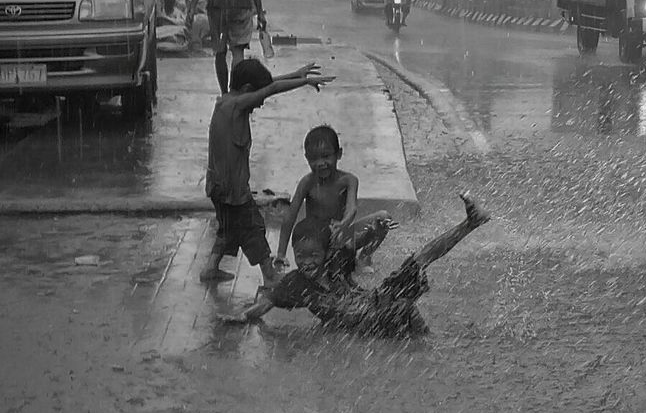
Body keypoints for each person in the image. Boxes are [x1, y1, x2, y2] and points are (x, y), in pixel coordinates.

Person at [234, 192, 491, 338]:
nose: (306, 262)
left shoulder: (337, 262)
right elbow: (266, 303)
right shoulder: (295, 284)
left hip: (378, 307)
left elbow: (363, 239)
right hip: (365, 326)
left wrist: (376, 229)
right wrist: (242, 317)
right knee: (417, 333)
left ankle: (469, 224)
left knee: (418, 261)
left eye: (313, 255)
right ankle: (432, 340)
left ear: (326, 253)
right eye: (300, 256)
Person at [199, 58, 336, 286]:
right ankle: (270, 276)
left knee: (228, 229)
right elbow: (271, 89)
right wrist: (304, 81)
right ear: (247, 91)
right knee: (253, 227)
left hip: (218, 187)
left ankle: (210, 268)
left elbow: (268, 85)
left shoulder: (225, 102)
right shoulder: (235, 107)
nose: (260, 104)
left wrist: (295, 73)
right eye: (257, 98)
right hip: (232, 191)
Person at [274, 124, 399, 278]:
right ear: (306, 158)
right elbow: (290, 216)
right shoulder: (307, 183)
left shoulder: (348, 180)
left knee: (384, 218)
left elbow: (351, 208)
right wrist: (280, 253)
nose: (320, 163)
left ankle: (365, 256)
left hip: (341, 234)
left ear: (338, 154)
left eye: (326, 156)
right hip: (316, 240)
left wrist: (344, 224)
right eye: (314, 159)